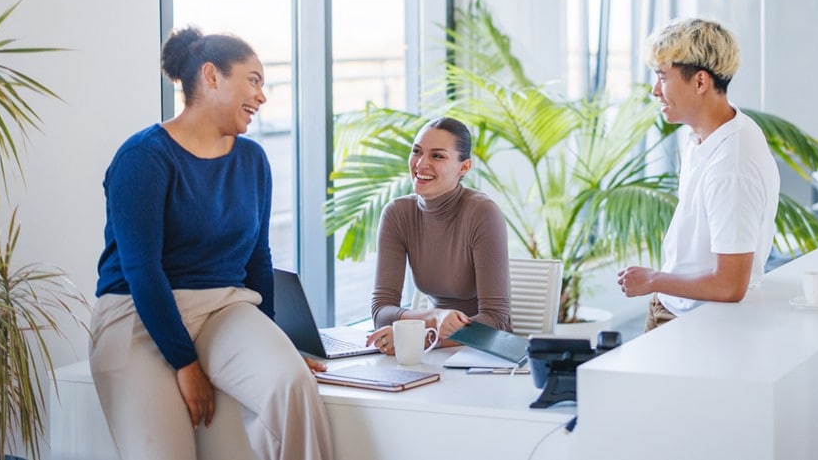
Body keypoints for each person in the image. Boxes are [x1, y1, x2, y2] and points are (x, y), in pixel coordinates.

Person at [89, 26, 332, 460]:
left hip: (224, 308)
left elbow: (258, 259)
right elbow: (143, 271)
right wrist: (185, 363)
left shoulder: (252, 160)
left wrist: (274, 341)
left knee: (292, 384)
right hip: (138, 314)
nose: (261, 96)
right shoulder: (143, 157)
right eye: (253, 80)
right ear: (211, 75)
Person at [616, 18, 780, 331]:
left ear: (700, 82)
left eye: (662, 76)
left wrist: (652, 279)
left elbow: (730, 285)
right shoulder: (710, 135)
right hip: (676, 307)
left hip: (693, 321)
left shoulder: (732, 165)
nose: (655, 91)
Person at [365, 117, 512, 355]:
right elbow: (381, 312)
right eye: (416, 151)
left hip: (483, 354)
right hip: (435, 353)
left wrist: (419, 338)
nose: (421, 164)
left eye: (437, 156)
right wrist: (435, 317)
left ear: (464, 167)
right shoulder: (397, 214)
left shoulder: (482, 212)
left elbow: (496, 320)